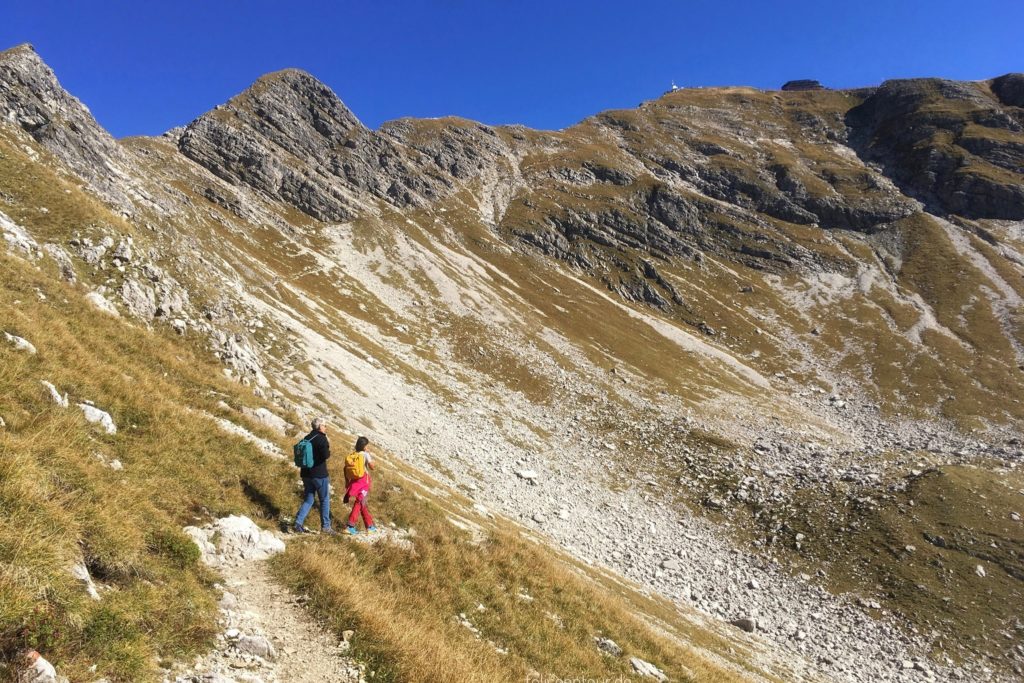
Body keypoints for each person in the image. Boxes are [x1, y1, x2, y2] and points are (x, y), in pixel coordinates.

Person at [293, 417, 333, 534]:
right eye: (325, 426)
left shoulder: (307, 437)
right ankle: (326, 527)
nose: (326, 428)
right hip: (319, 474)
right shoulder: (322, 439)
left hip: (306, 474)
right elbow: (326, 455)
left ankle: (298, 522)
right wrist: (328, 451)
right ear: (320, 426)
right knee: (324, 499)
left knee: (309, 499)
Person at [343, 436, 377, 535]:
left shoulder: (353, 455)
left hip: (354, 480)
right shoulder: (365, 455)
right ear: (364, 446)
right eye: (367, 445)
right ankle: (350, 525)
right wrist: (371, 458)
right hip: (363, 481)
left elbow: (345, 469)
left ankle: (370, 526)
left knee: (362, 502)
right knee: (359, 502)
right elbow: (372, 467)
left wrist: (347, 481)